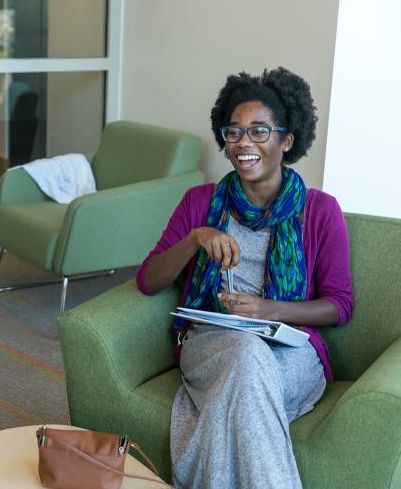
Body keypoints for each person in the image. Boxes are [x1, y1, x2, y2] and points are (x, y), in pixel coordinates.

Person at [136, 68, 354, 488]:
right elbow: (148, 280)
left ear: (287, 141)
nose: (243, 143)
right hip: (212, 343)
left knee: (244, 380)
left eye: (259, 132)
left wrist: (267, 311)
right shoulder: (201, 203)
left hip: (291, 351)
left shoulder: (320, 211)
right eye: (234, 132)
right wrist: (196, 239)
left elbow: (340, 305)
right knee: (244, 353)